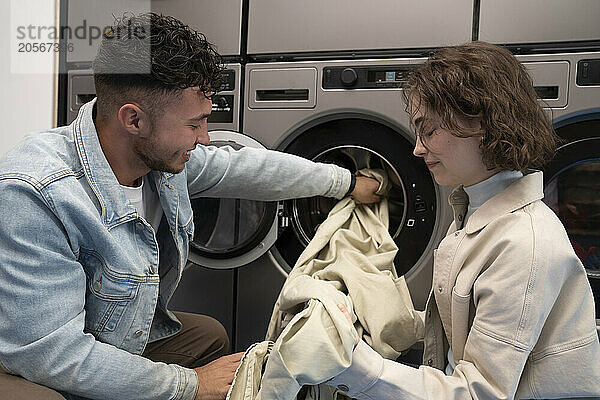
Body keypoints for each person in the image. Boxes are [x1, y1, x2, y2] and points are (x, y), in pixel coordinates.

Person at [0, 13, 381, 400]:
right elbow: (50, 355)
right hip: (30, 367)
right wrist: (191, 385)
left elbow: (243, 167)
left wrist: (344, 182)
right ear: (134, 120)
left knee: (208, 335)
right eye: (194, 124)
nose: (205, 137)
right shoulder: (35, 194)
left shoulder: (157, 164)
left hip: (108, 336)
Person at [327, 41, 600, 399]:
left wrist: (347, 364)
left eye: (429, 130)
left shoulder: (524, 243)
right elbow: (464, 329)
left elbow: (478, 394)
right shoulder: (476, 209)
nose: (417, 148)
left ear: (483, 122)